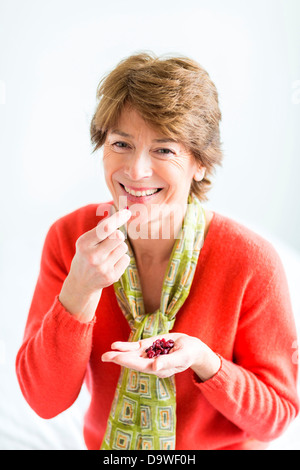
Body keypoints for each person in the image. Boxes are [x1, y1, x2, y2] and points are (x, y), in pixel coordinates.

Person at [16, 52, 299, 451]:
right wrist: (78, 292)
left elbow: (276, 417)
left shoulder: (252, 261)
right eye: (121, 143)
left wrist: (206, 362)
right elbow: (43, 401)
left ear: (200, 163)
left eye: (164, 150)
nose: (136, 171)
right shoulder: (69, 240)